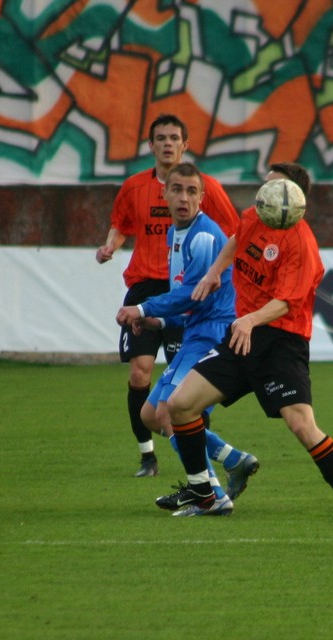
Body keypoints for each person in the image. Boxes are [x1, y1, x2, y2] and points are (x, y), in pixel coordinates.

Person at [162, 162, 333, 521]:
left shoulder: (301, 243)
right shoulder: (256, 215)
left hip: (281, 343)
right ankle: (206, 497)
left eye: (274, 186)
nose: (265, 191)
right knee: (179, 405)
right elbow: (236, 238)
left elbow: (287, 302)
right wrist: (214, 272)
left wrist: (249, 320)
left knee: (301, 424)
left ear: (294, 197)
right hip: (241, 337)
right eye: (266, 184)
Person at [97, 113, 239, 478]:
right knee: (142, 382)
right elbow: (121, 224)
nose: (167, 143)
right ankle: (151, 456)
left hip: (192, 305)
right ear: (151, 145)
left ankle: (208, 484)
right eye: (161, 138)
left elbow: (237, 234)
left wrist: (219, 272)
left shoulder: (203, 224)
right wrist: (111, 245)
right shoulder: (137, 190)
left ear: (184, 145)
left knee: (177, 404)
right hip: (152, 288)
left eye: (174, 137)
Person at [114, 163, 259, 514]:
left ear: (202, 198)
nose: (183, 198)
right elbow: (188, 298)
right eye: (177, 189)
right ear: (164, 193)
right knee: (151, 414)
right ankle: (233, 459)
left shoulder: (204, 237)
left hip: (213, 333)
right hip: (196, 330)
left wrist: (143, 308)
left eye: (192, 191)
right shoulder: (174, 233)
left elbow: (196, 292)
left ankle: (211, 494)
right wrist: (158, 321)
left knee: (169, 412)